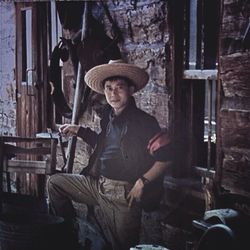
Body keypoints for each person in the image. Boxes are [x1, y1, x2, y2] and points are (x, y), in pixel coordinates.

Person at [47, 59, 172, 250]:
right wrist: (78, 130)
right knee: (55, 183)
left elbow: (166, 158)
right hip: (98, 186)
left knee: (122, 246)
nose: (113, 94)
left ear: (130, 90)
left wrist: (143, 181)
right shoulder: (109, 116)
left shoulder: (144, 122)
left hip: (123, 194)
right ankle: (69, 233)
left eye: (119, 87)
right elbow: (103, 143)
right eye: (108, 88)